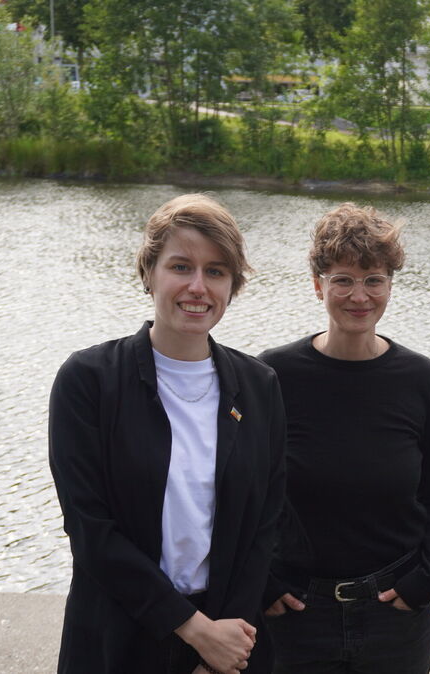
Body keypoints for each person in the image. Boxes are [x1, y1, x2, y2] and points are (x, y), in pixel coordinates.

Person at [49, 194, 286, 674]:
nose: (198, 286)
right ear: (149, 273)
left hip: (228, 640)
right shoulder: (89, 379)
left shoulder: (259, 386)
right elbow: (89, 528)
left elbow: (265, 524)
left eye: (217, 271)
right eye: (181, 266)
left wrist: (224, 640)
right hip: (117, 635)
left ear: (232, 285)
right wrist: (195, 629)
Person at [259, 203, 430, 673]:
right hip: (299, 616)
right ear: (318, 284)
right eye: (343, 279)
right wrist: (262, 580)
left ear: (390, 285)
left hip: (395, 618)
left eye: (374, 279)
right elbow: (248, 491)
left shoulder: (417, 375)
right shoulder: (275, 373)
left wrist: (429, 578)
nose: (359, 295)